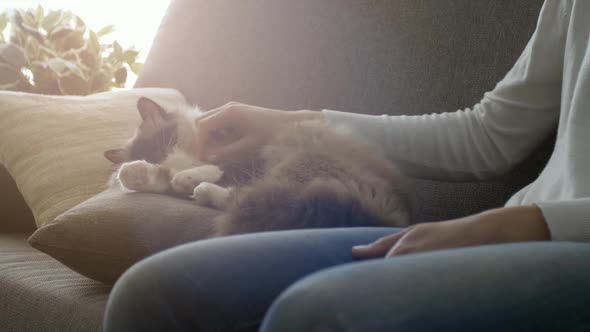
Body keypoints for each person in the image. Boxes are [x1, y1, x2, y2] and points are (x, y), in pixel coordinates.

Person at [104, 0, 590, 331]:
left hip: (556, 239)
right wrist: (286, 123)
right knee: (148, 295)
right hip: (509, 231)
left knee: (315, 312)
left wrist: (528, 223)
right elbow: (487, 136)